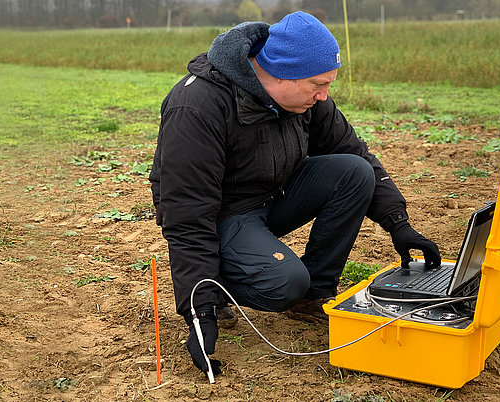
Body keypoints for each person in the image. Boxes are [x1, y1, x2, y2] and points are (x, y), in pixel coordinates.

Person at [149, 11, 440, 376]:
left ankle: (315, 292)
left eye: (329, 84)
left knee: (353, 171)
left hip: (273, 194)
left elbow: (352, 149)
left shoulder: (304, 99)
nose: (324, 96)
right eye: (318, 84)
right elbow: (187, 214)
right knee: (284, 282)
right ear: (279, 72)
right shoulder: (197, 105)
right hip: (223, 213)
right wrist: (200, 308)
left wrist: (398, 223)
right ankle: (222, 283)